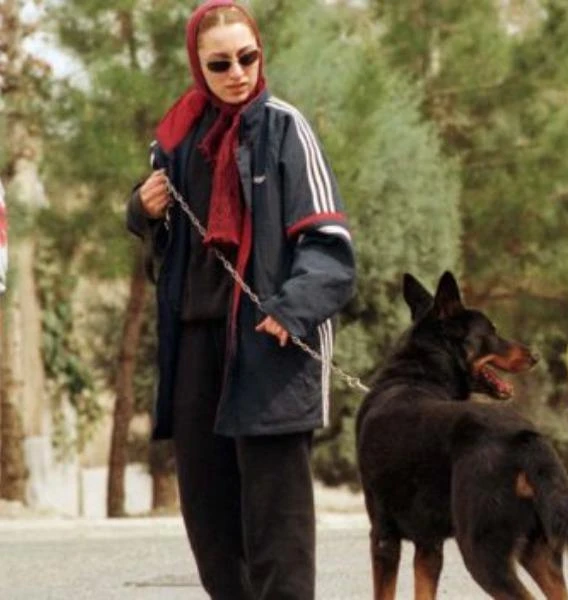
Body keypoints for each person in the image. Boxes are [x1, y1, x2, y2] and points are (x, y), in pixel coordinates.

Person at [126, 2, 356, 598]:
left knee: (278, 522)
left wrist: (291, 308)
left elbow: (330, 247)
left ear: (260, 54)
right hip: (194, 344)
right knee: (209, 520)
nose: (237, 74)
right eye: (220, 63)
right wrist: (141, 210)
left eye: (247, 58)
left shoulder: (285, 128)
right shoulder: (175, 140)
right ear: (197, 66)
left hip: (270, 341)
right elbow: (162, 248)